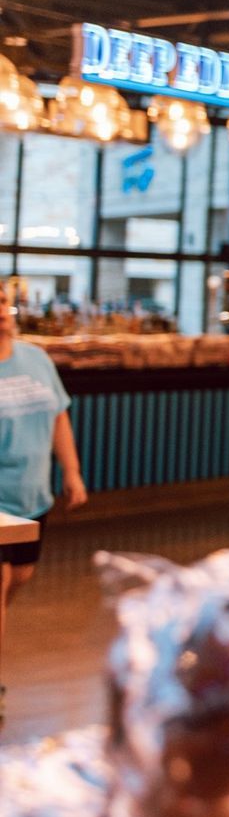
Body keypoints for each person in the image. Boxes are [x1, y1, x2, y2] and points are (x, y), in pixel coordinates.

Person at [0, 288, 87, 729]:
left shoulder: (36, 359)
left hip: (33, 495)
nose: (0, 313)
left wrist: (71, 472)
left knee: (21, 577)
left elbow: (58, 416)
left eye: (2, 304)